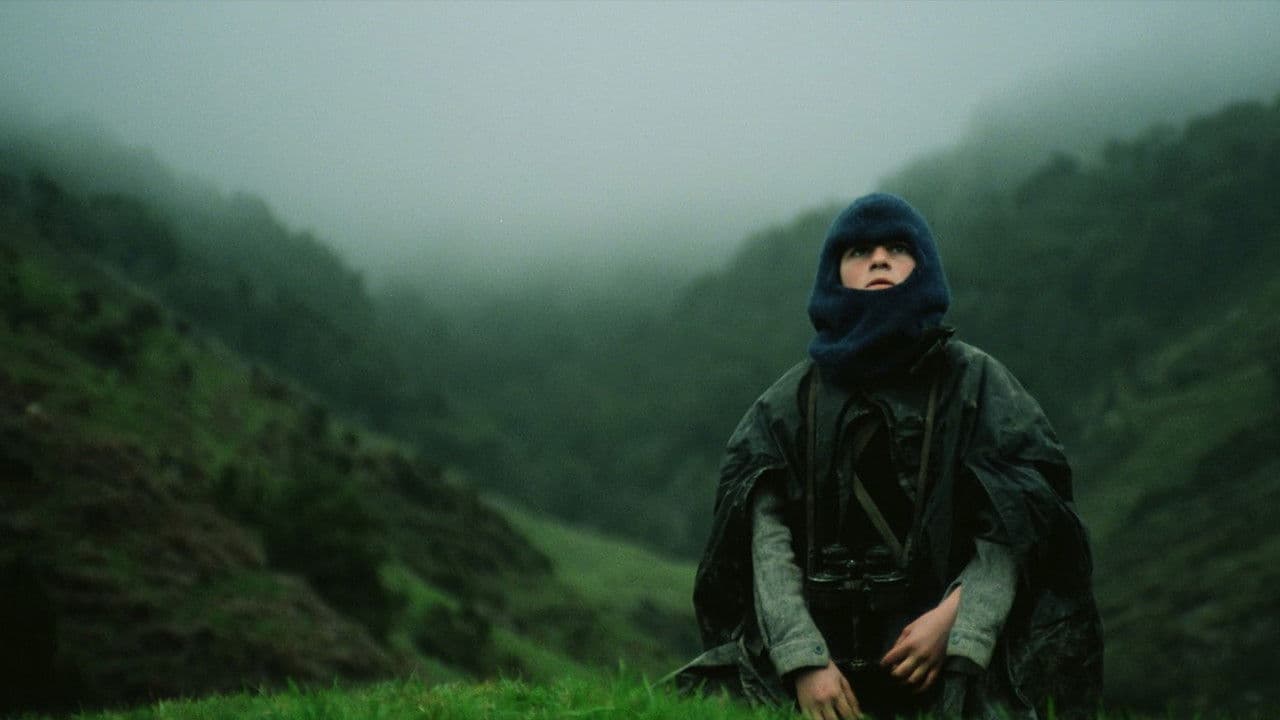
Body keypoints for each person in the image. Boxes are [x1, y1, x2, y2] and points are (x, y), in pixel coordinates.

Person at [671, 193, 1103, 719]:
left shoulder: (980, 387)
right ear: (834, 274)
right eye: (858, 251)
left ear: (924, 267)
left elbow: (1023, 524)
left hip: (955, 666)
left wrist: (958, 621)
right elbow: (762, 537)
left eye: (897, 248)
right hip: (814, 675)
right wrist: (802, 660)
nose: (879, 259)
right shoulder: (786, 405)